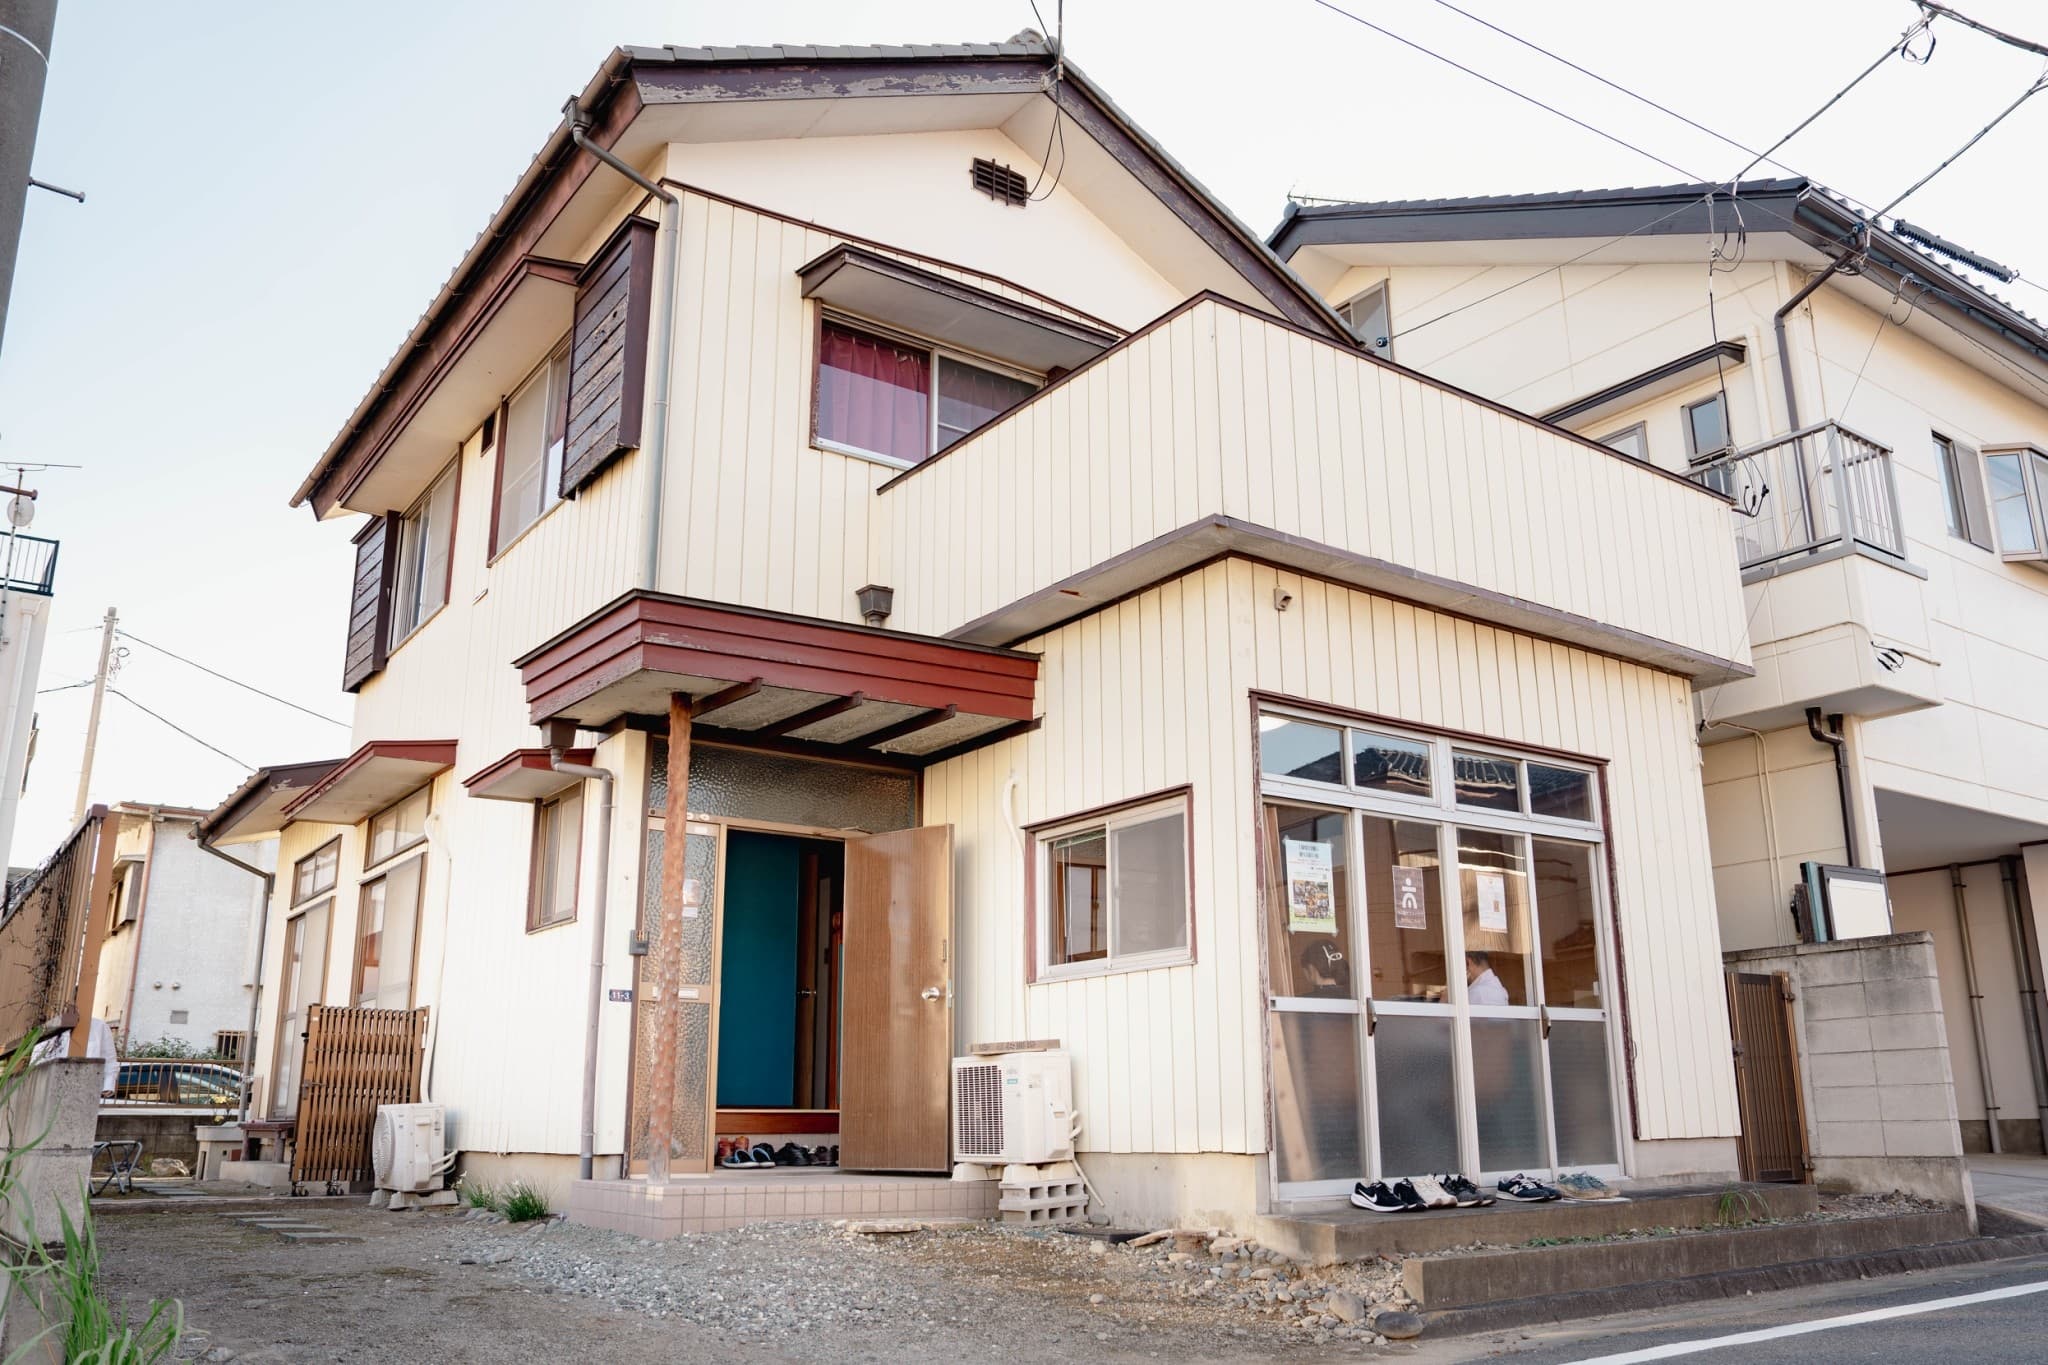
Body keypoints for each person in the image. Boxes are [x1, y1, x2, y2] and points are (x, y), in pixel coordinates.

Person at [30, 1005, 119, 1097]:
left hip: (85, 1088)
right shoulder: (49, 1027)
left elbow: (110, 1059)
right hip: (50, 1086)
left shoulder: (99, 1027)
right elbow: (37, 1057)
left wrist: (108, 1084)